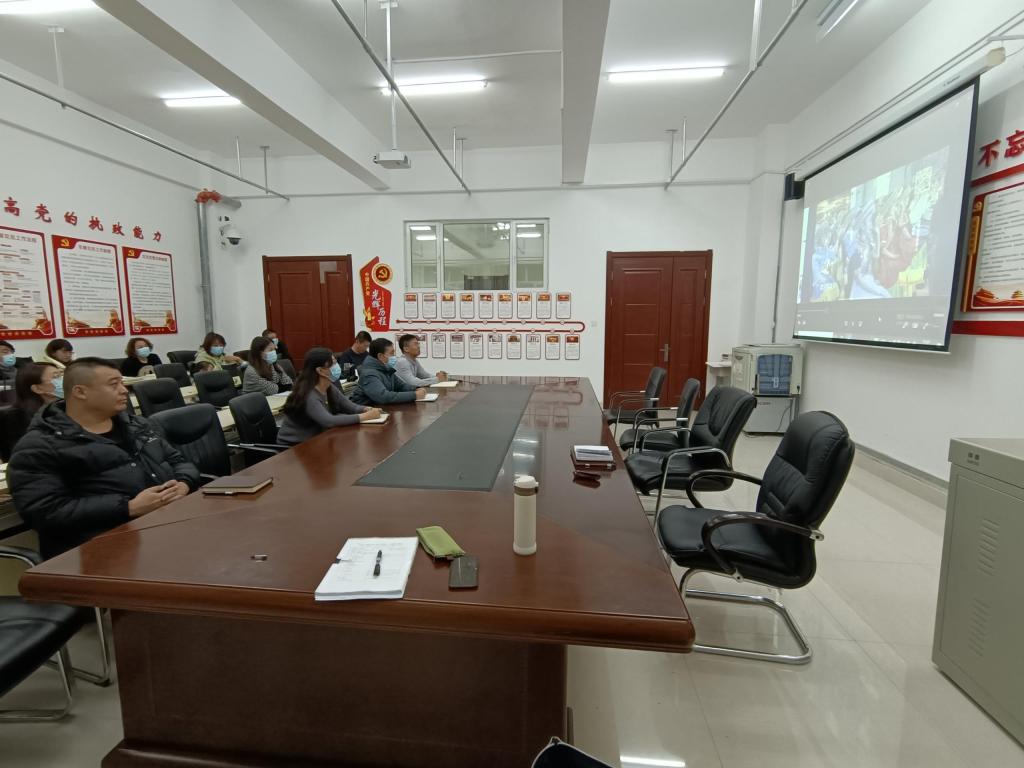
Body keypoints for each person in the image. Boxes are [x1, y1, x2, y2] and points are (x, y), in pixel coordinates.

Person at [5, 357, 199, 559]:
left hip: (162, 527)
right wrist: (128, 507)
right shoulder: (39, 446)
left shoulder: (137, 425)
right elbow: (45, 512)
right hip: (97, 551)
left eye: (122, 383)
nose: (124, 390)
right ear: (80, 392)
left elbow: (178, 461)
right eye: (113, 385)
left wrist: (184, 483)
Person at [277, 347, 381, 446]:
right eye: (333, 364)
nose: (337, 367)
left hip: (316, 440)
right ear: (320, 370)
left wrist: (366, 409)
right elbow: (328, 421)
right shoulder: (308, 394)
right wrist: (365, 416)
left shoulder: (329, 387)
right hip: (294, 447)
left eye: (336, 362)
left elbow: (351, 407)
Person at [3, 362, 62, 456]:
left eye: (61, 375)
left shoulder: (64, 407)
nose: (63, 380)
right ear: (37, 389)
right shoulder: (17, 417)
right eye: (56, 377)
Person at [350, 338, 425, 406]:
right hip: (364, 411)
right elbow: (383, 397)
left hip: (380, 409)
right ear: (380, 356)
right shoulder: (369, 374)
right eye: (392, 353)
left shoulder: (386, 369)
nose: (394, 356)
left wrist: (416, 389)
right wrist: (414, 395)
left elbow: (401, 386)